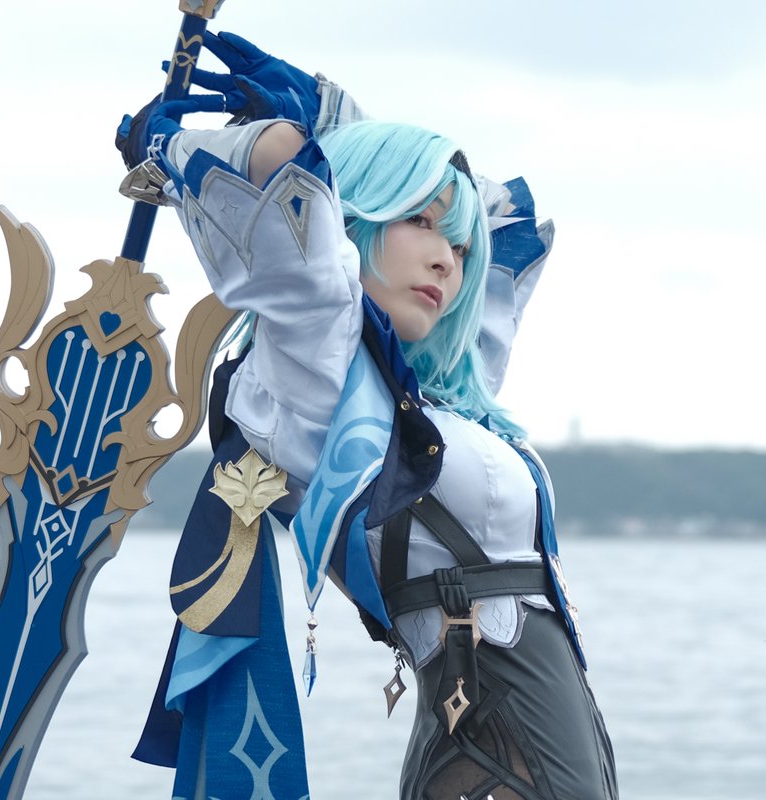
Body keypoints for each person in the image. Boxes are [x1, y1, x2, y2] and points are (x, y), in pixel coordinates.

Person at [117, 31, 618, 800]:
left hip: (536, 751)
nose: (448, 260)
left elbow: (506, 222)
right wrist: (167, 145)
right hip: (496, 757)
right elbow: (282, 166)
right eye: (419, 221)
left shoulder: (435, 398)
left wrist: (338, 117)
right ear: (352, 218)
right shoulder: (314, 366)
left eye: (458, 246)